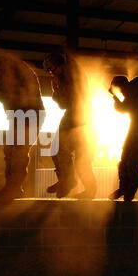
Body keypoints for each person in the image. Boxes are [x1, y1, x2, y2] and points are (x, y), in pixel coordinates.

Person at [0, 54, 45, 200]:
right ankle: (14, 188)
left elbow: (1, 95)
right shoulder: (10, 73)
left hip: (30, 116)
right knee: (10, 150)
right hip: (19, 117)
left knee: (18, 151)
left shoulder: (19, 73)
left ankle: (14, 188)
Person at [43, 52, 97, 199]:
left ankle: (69, 181)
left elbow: (67, 102)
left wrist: (57, 90)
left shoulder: (70, 74)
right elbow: (63, 104)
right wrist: (56, 90)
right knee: (79, 158)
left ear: (58, 64)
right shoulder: (64, 76)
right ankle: (72, 182)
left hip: (78, 118)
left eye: (51, 69)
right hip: (81, 118)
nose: (51, 72)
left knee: (66, 152)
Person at [108, 75, 138, 202]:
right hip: (135, 128)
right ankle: (125, 187)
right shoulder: (133, 93)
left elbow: (123, 108)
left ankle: (134, 184)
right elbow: (123, 108)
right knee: (124, 160)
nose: (122, 93)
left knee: (132, 160)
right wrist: (115, 95)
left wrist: (115, 95)